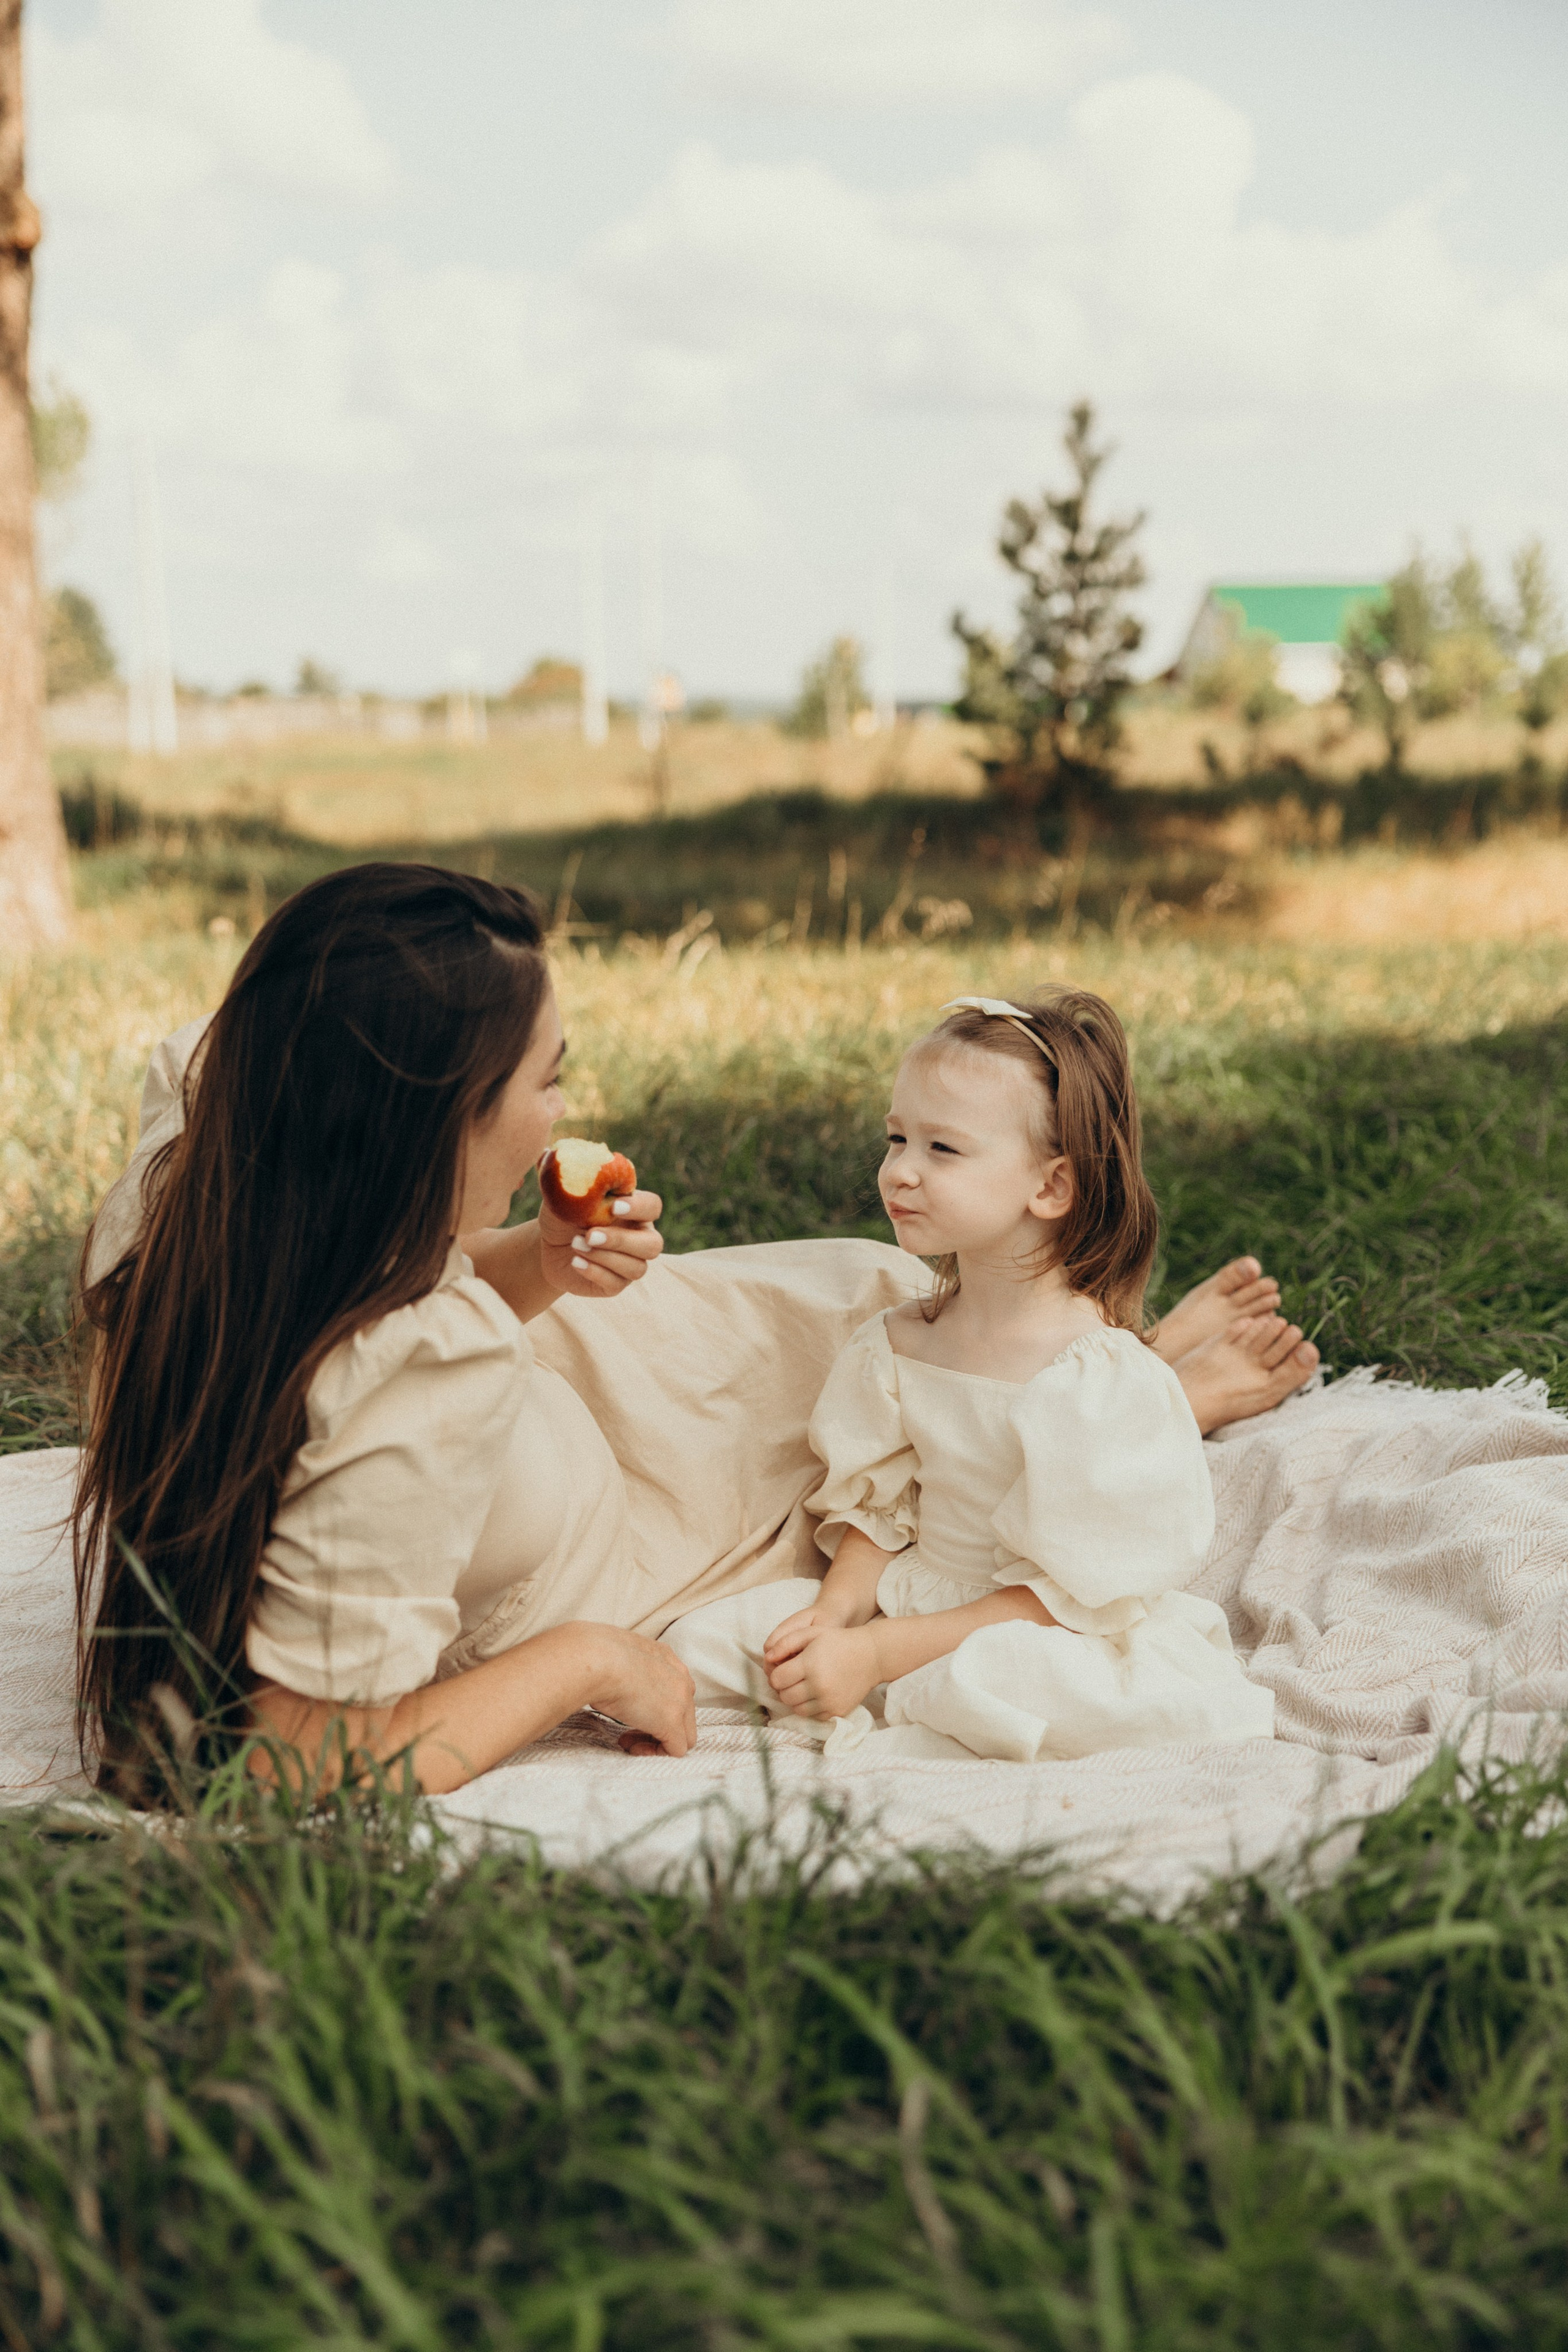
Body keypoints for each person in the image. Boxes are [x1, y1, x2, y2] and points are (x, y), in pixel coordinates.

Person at [74, 864, 1314, 1800]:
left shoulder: (217, 1143)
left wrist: (536, 1262)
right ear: (426, 1121)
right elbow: (294, 1758)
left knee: (847, 1292)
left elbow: (373, 1287)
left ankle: (1111, 1356)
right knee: (878, 1378)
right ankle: (1139, 1394)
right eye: (546, 1079)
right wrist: (597, 1664)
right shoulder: (410, 1384)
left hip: (581, 1372)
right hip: (643, 1521)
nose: (565, 1108)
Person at [661, 993, 1278, 1762]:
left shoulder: (1092, 1376)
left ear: (1050, 1186)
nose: (900, 1172)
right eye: (896, 1139)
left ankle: (897, 1690)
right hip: (911, 1597)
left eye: (941, 1150)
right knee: (707, 1638)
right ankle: (867, 1678)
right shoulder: (898, 1343)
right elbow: (878, 1513)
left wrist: (881, 1657)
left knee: (1017, 1683)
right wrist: (835, 1614)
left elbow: (1067, 1599)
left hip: (1037, 1627)